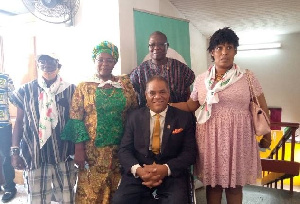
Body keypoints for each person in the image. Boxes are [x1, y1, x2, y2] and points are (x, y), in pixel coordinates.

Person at [171, 27, 271, 204]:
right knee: (213, 186)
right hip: (210, 140)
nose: (224, 52)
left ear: (235, 51)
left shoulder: (246, 77)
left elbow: (263, 108)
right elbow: (191, 105)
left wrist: (267, 135)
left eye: (229, 47)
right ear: (212, 52)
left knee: (234, 187)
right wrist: (168, 105)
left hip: (238, 139)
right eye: (219, 48)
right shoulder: (202, 79)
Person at [61, 41, 138, 204]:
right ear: (94, 61)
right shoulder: (84, 87)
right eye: (100, 59)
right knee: (91, 192)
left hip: (121, 149)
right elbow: (75, 119)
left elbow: (134, 112)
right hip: (92, 151)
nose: (104, 63)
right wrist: (79, 149)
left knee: (118, 190)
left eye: (109, 60)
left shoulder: (124, 84)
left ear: (115, 62)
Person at [112, 76, 196, 204]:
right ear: (146, 95)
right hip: (140, 170)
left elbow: (190, 153)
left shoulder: (184, 118)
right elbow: (124, 150)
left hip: (171, 172)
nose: (157, 96)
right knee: (120, 201)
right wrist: (139, 171)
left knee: (177, 201)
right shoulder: (134, 117)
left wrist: (165, 169)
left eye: (162, 92)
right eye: (152, 93)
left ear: (168, 94)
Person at [10, 53, 76, 203]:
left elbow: (77, 121)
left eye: (51, 62)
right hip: (34, 154)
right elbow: (19, 122)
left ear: (59, 66)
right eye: (42, 62)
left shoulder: (71, 90)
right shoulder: (24, 91)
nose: (46, 65)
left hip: (63, 153)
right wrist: (15, 152)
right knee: (36, 199)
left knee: (67, 198)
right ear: (37, 65)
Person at [130, 31, 195, 107]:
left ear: (167, 46)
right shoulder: (139, 72)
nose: (156, 48)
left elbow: (188, 94)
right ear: (148, 47)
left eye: (161, 44)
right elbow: (137, 97)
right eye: (152, 45)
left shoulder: (181, 68)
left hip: (178, 115)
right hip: (149, 116)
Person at [0, 73, 17, 203]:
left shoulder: (5, 78)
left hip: (3, 125)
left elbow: (14, 99)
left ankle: (9, 187)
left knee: (6, 156)